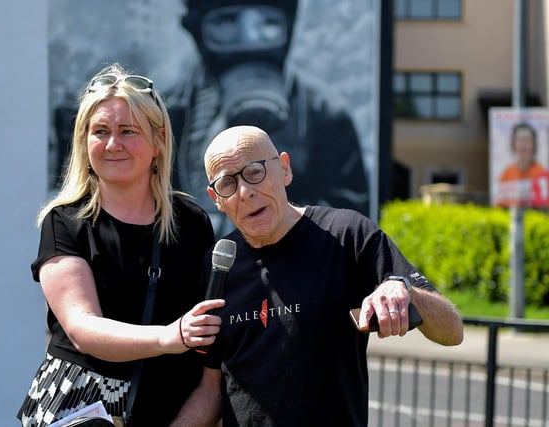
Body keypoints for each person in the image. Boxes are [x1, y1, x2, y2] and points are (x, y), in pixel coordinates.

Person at [171, 125, 464, 426]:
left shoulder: (346, 234)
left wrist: (404, 288)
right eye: (227, 184)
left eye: (254, 172)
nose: (245, 191)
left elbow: (452, 331)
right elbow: (212, 388)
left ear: (285, 169)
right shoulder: (220, 264)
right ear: (215, 198)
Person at [17, 63, 224, 427]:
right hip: (80, 411)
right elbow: (83, 329)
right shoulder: (64, 221)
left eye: (128, 131)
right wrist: (168, 337)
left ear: (159, 141)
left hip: (172, 408)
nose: (113, 144)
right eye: (100, 131)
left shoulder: (192, 222)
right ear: (84, 141)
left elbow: (210, 358)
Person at [167, 0, 369, 236]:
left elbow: (348, 222)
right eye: (227, 21)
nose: (250, 37)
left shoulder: (324, 117)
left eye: (267, 22)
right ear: (197, 29)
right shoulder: (172, 115)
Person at [497, 122, 548, 207]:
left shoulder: (541, 173)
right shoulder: (506, 173)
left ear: (534, 144)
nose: (524, 146)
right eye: (520, 140)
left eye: (527, 140)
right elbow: (500, 205)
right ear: (514, 143)